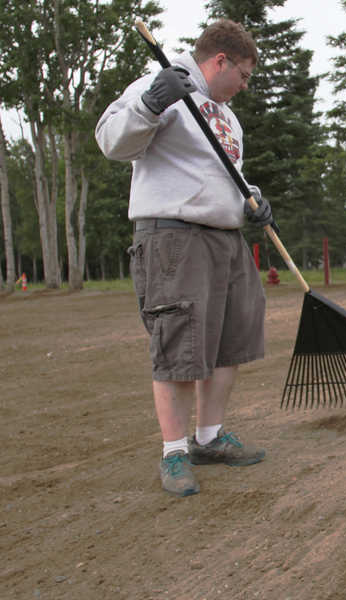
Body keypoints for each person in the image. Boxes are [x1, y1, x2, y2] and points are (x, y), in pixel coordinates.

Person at [95, 19, 273, 497]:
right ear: (221, 61)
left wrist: (250, 200)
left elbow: (220, 175)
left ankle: (209, 439)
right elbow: (112, 141)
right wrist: (152, 104)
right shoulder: (161, 82)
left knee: (231, 341)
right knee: (177, 344)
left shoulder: (227, 118)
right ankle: (174, 451)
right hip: (174, 238)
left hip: (226, 241)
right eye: (245, 74)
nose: (244, 84)